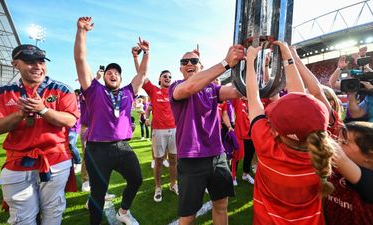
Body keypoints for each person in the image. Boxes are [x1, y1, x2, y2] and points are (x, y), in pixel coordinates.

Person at [245, 42, 335, 224]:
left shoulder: (266, 147)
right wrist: (288, 57)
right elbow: (300, 103)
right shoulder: (321, 153)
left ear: (277, 131)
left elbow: (253, 97)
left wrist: (250, 61)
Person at [74, 17, 144, 225]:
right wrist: (82, 32)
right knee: (98, 193)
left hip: (122, 147)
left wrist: (145, 54)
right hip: (97, 149)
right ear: (104, 77)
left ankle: (124, 210)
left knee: (137, 179)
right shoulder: (94, 89)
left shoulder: (127, 92)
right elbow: (80, 60)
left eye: (117, 73)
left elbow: (142, 73)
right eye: (110, 72)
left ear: (121, 79)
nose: (113, 74)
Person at [0, 44, 79, 225]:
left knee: (53, 210)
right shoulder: (3, 93)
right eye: (29, 61)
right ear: (15, 64)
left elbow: (71, 120)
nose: (37, 66)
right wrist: (19, 114)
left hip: (56, 160)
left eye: (41, 61)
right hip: (17, 162)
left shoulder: (62, 89)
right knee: (21, 218)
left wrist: (43, 110)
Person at [169, 44, 244, 225]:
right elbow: (190, 88)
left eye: (194, 61)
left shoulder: (213, 89)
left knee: (221, 205)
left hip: (217, 155)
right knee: (188, 215)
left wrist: (248, 64)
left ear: (201, 66)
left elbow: (237, 90)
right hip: (191, 159)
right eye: (184, 61)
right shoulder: (175, 86)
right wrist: (226, 63)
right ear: (180, 68)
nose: (189, 63)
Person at [325, 121, 373, 225]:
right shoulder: (337, 168)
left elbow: (341, 160)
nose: (337, 145)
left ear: (370, 157)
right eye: (338, 140)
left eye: (344, 142)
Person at [140, 69, 178, 202]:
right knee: (159, 160)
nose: (167, 78)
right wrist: (142, 55)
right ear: (160, 79)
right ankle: (158, 187)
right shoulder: (154, 91)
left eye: (169, 77)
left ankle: (173, 184)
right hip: (159, 131)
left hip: (174, 130)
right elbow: (142, 74)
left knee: (173, 159)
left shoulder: (175, 92)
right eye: (164, 76)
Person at [69, 89, 82, 174]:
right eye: (75, 95)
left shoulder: (81, 104)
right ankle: (73, 162)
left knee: (71, 144)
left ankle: (78, 162)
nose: (76, 96)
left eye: (77, 95)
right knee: (67, 146)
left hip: (75, 128)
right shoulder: (70, 103)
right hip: (67, 128)